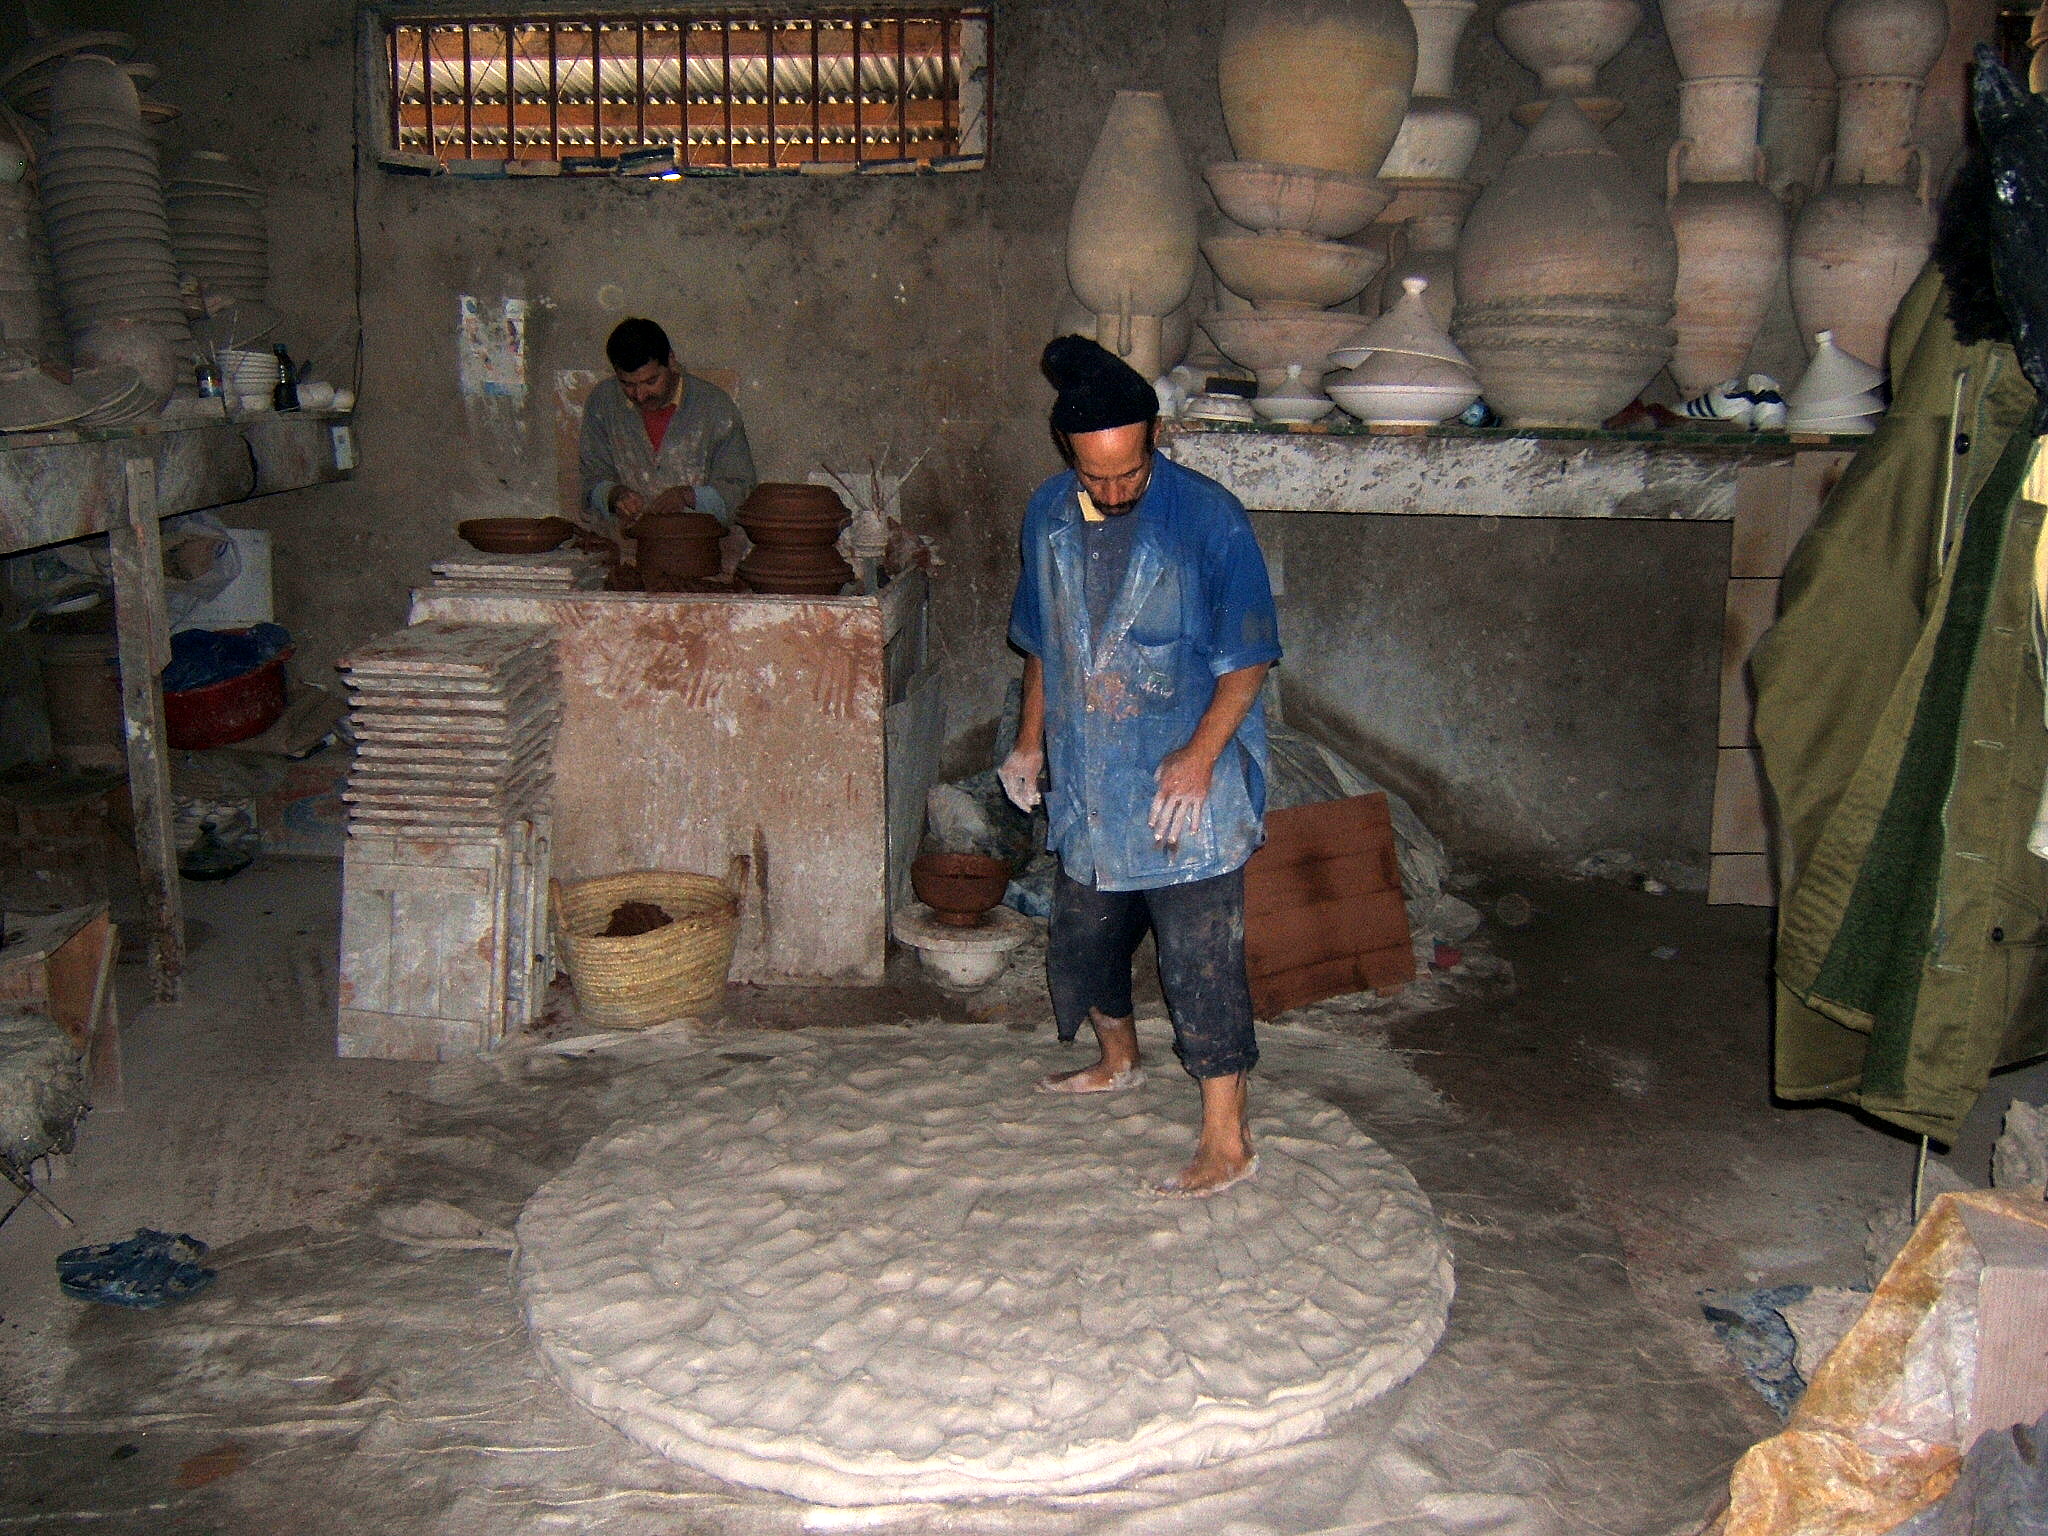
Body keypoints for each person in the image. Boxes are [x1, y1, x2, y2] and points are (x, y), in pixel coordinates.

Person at [1001, 335, 1283, 1198]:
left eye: (1130, 473)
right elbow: (1047, 643)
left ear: (1152, 441)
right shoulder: (1049, 516)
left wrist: (1199, 759)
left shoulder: (1208, 517)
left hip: (1181, 778)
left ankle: (1227, 1138)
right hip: (1091, 772)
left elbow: (1249, 658)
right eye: (1098, 477)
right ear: (1069, 456)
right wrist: (1029, 741)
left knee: (1200, 957)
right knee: (1084, 936)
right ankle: (1116, 1058)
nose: (1115, 492)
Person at [577, 317, 757, 535]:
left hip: (697, 551)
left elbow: (741, 491)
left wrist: (688, 497)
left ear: (671, 361)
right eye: (627, 384)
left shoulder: (715, 407)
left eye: (651, 382)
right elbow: (590, 480)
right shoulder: (603, 402)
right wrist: (614, 495)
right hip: (624, 551)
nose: (640, 396)